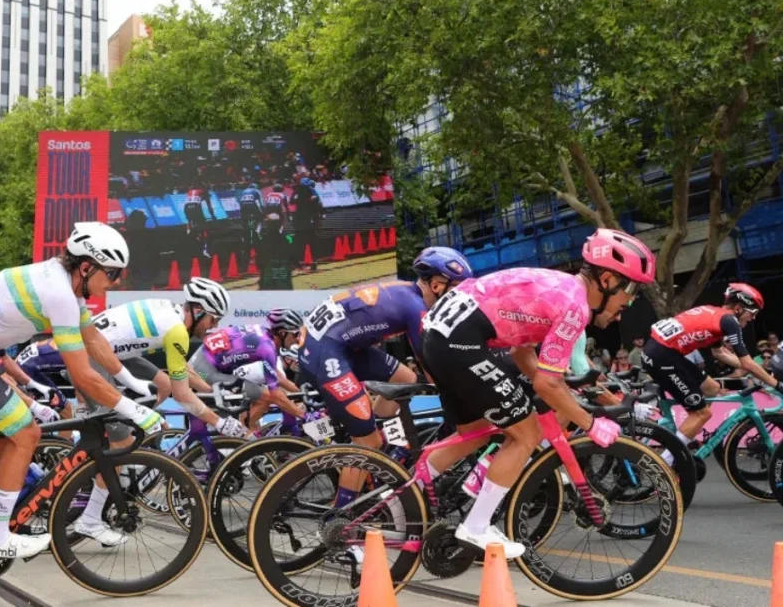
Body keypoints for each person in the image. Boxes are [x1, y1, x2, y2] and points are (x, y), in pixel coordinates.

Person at [0, 222, 163, 557]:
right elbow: (82, 375)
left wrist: (133, 383)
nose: (115, 281)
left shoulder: (64, 284)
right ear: (87, 267)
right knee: (26, 432)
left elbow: (94, 340)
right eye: (112, 273)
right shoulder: (59, 294)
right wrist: (135, 410)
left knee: (6, 433)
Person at [421, 229, 656, 557]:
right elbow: (547, 384)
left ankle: (406, 499)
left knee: (474, 432)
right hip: (459, 341)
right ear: (606, 280)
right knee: (526, 434)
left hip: (438, 336)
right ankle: (475, 527)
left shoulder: (559, 287)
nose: (629, 302)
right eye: (630, 290)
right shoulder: (575, 306)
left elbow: (522, 355)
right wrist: (589, 423)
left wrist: (557, 389)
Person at [298, 247, 473, 514]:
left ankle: (378, 440)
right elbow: (431, 365)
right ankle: (339, 518)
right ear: (437, 285)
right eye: (456, 289)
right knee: (367, 445)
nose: (458, 297)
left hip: (340, 345)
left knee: (406, 379)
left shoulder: (407, 292)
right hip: (326, 351)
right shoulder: (416, 308)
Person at [17, 278, 242, 438]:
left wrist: (211, 391)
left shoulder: (170, 312)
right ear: (199, 310)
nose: (214, 326)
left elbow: (184, 371)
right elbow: (183, 395)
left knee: (164, 384)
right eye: (213, 319)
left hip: (111, 350)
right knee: (120, 438)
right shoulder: (177, 331)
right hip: (92, 354)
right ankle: (117, 437)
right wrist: (220, 422)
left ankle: (130, 424)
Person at [641, 282, 780, 466]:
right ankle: (664, 463)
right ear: (738, 308)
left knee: (712, 388)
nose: (753, 318)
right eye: (752, 312)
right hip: (664, 357)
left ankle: (689, 431)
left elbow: (720, 353)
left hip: (663, 352)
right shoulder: (730, 321)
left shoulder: (715, 313)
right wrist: (776, 384)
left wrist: (759, 370)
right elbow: (746, 362)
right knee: (702, 413)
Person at [189, 308, 306, 429]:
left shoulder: (264, 334)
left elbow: (276, 376)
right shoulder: (267, 348)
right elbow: (275, 393)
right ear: (282, 333)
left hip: (202, 362)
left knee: (260, 397)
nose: (298, 339)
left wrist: (299, 393)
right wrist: (305, 416)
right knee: (266, 397)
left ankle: (245, 431)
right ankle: (244, 434)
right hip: (205, 371)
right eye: (295, 334)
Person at [290, 177, 324, 271]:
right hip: (307, 221)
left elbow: (292, 201)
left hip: (300, 221)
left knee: (299, 243)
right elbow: (317, 202)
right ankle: (312, 263)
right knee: (312, 243)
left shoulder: (297, 191)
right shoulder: (310, 190)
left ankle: (298, 263)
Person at [183, 184, 214, 258]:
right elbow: (209, 207)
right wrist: (213, 216)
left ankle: (190, 234)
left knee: (190, 223)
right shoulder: (204, 192)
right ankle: (205, 250)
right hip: (195, 207)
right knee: (204, 229)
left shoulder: (190, 191)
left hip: (186, 208)